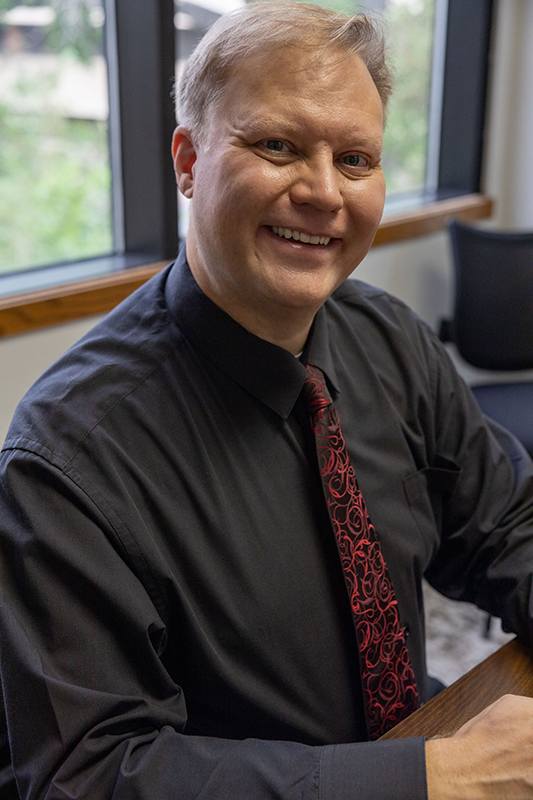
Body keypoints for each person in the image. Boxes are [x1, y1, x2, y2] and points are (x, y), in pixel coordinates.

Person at [2, 2, 533, 798]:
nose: (324, 193)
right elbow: (87, 772)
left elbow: (503, 526)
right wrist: (420, 779)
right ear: (187, 160)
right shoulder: (65, 460)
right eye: (278, 146)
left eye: (355, 160)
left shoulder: (387, 337)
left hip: (412, 738)